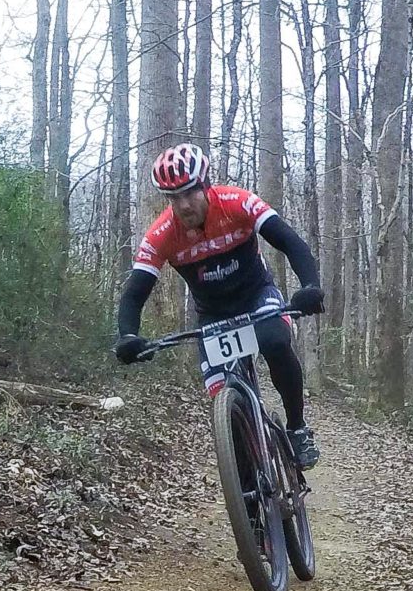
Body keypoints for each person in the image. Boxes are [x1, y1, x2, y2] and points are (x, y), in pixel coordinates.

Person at [113, 142, 326, 467]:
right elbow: (134, 293)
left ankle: (297, 428)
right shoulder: (162, 234)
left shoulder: (236, 202)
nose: (183, 205)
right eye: (173, 197)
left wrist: (309, 286)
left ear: (206, 185)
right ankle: (249, 502)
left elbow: (291, 243)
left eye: (189, 193)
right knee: (226, 410)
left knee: (275, 341)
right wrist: (128, 335)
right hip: (213, 315)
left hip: (257, 295)